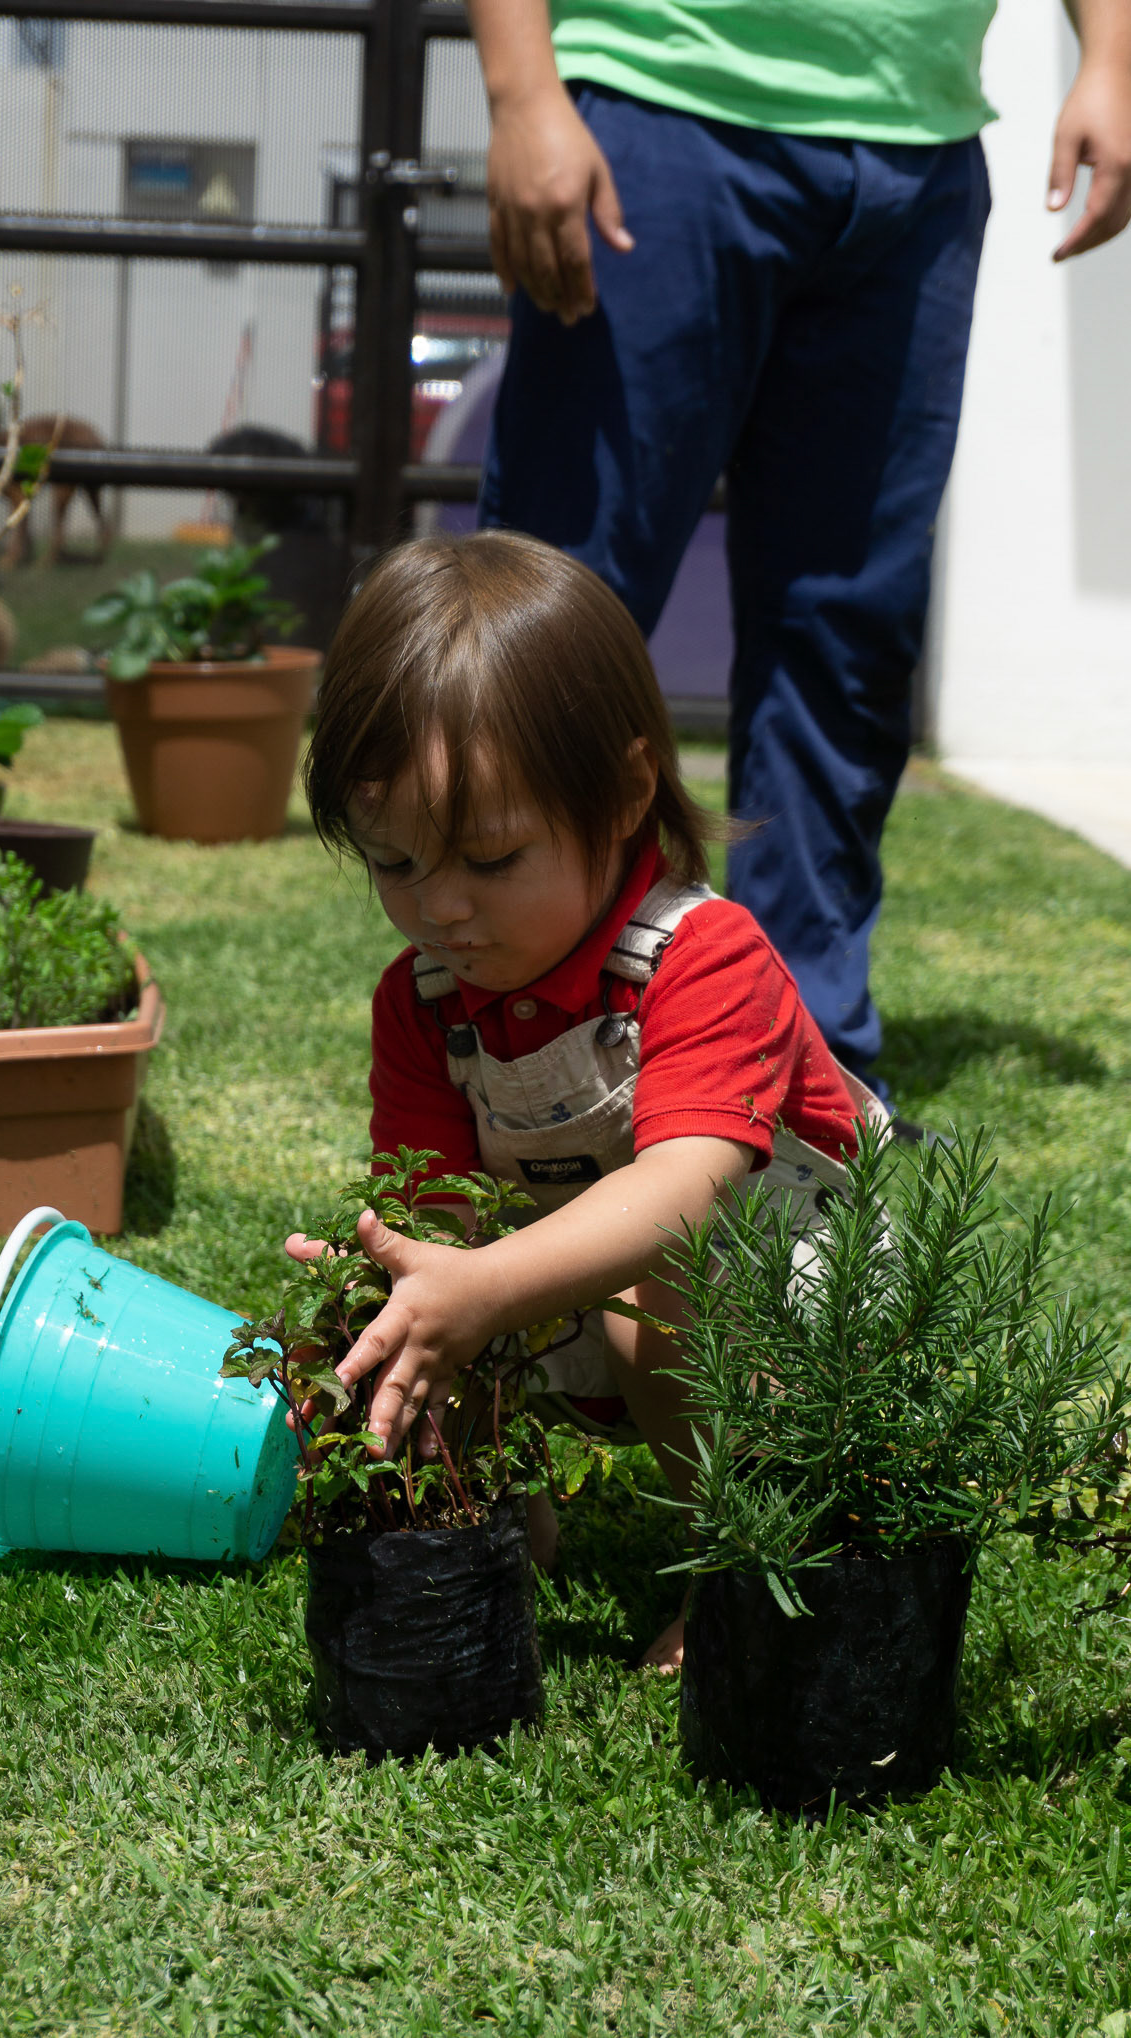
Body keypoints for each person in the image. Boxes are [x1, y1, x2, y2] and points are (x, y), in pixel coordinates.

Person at [468, 0, 1131, 1101]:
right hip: (661, 100)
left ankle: (791, 1068)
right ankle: (522, 1047)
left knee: (847, 628)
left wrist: (1109, 54)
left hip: (917, 151)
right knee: (559, 615)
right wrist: (521, 88)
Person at [288, 530, 885, 1669]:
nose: (441, 909)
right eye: (395, 865)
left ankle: (751, 1568)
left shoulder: (705, 955)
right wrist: (406, 1282)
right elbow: (442, 1217)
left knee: (643, 1291)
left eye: (492, 859)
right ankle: (504, 1524)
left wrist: (480, 1287)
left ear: (622, 795)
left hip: (793, 1297)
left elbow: (678, 1195)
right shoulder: (424, 1001)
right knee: (424, 1300)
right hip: (585, 1263)